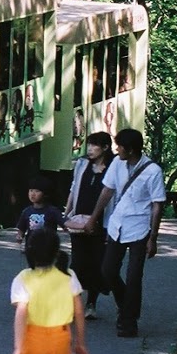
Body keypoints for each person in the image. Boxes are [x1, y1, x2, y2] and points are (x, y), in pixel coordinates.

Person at [89, 128, 167, 339]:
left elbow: (157, 206)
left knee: (134, 276)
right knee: (107, 271)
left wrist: (153, 238)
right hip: (117, 224)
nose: (116, 150)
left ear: (130, 149)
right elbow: (107, 191)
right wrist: (93, 218)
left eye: (119, 147)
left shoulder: (153, 171)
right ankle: (126, 305)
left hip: (140, 228)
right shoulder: (117, 164)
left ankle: (128, 321)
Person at [63, 132, 112, 319]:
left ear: (105, 148)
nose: (90, 149)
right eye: (89, 145)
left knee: (97, 263)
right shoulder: (82, 164)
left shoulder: (113, 168)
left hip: (102, 223)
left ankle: (91, 303)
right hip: (79, 220)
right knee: (77, 263)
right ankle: (72, 302)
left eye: (95, 145)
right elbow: (73, 189)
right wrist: (66, 214)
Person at [13, 181, 66, 247]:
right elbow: (21, 228)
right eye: (31, 191)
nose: (33, 194)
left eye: (37, 191)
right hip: (31, 246)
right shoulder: (26, 211)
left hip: (48, 246)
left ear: (45, 194)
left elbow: (64, 223)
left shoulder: (53, 211)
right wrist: (19, 237)